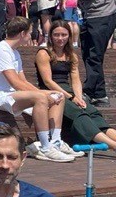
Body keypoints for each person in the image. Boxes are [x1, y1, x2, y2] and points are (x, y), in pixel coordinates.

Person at [0, 17, 77, 163]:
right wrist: (41, 94)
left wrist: (48, 93)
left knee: (58, 95)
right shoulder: (1, 50)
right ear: (22, 33)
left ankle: (55, 142)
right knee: (40, 98)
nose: (31, 35)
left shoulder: (15, 52)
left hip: (11, 93)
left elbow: (23, 82)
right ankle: (45, 147)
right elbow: (15, 82)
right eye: (30, 32)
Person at [36, 19, 116, 151]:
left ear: (69, 36)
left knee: (92, 112)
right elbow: (48, 81)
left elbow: (76, 80)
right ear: (50, 36)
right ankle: (113, 146)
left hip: (69, 91)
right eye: (56, 35)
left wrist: (79, 97)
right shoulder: (44, 53)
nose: (60, 38)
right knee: (79, 114)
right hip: (52, 91)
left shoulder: (71, 55)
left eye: (64, 35)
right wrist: (71, 97)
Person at [51, 0, 116, 106]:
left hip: (105, 12)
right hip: (89, 16)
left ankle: (89, 91)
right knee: (87, 54)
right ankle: (100, 95)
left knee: (94, 54)